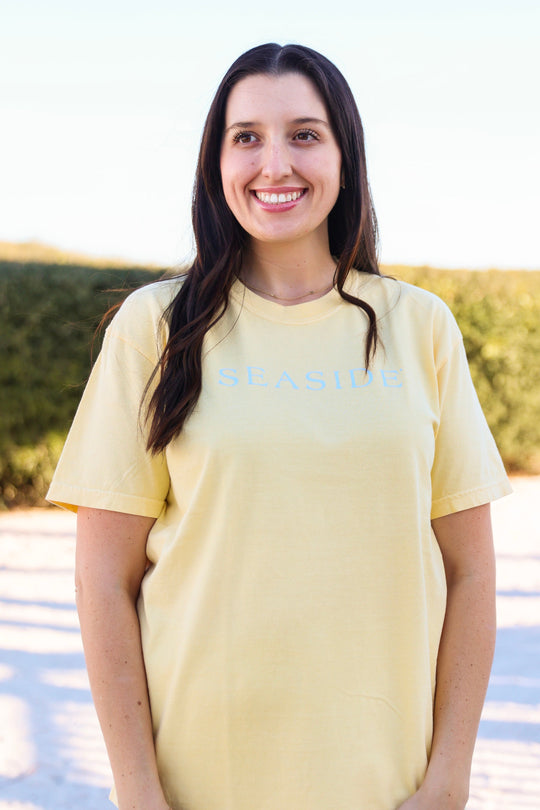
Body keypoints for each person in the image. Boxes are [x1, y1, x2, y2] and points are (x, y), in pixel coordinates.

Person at [47, 43, 511, 810]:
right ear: (216, 161)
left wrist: (449, 777)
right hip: (198, 782)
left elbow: (473, 573)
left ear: (344, 154)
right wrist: (137, 788)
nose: (274, 164)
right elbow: (103, 580)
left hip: (388, 787)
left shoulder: (420, 327)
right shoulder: (154, 329)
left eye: (304, 133)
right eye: (246, 137)